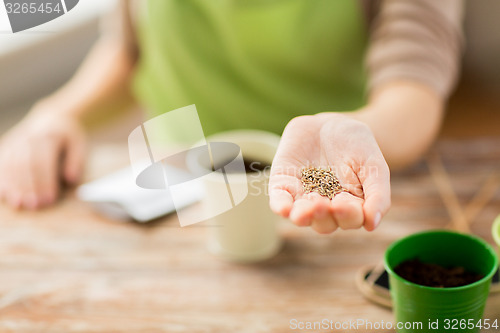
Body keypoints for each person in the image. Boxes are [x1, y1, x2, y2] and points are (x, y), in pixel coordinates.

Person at [0, 0, 463, 234]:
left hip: (324, 183)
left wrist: (356, 130)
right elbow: (128, 48)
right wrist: (59, 111)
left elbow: (413, 89)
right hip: (176, 184)